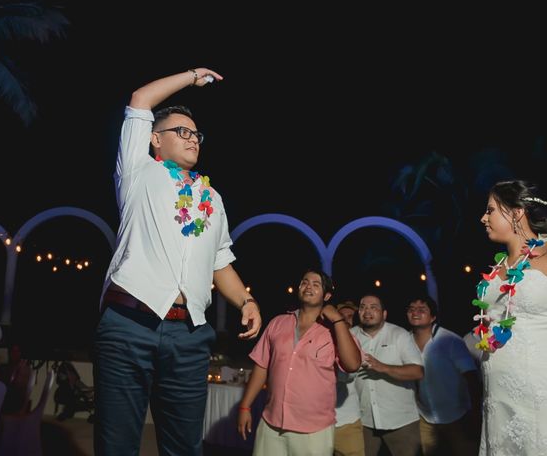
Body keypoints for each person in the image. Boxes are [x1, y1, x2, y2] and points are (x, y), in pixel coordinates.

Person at [94, 68, 262, 456]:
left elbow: (221, 263)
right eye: (181, 132)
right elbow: (139, 99)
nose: (193, 139)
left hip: (189, 335)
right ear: (155, 140)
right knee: (117, 445)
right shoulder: (138, 173)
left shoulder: (211, 198)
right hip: (129, 324)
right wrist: (191, 77)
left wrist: (247, 301)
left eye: (196, 134)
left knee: (185, 448)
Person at [477, 179, 547, 455]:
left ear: (516, 212)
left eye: (490, 211)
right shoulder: (495, 270)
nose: (483, 218)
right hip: (499, 400)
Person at [237, 269, 361, 456]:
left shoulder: (335, 330)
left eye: (316, 284)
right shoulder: (278, 322)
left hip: (313, 431)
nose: (308, 286)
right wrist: (245, 406)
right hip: (271, 424)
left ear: (327, 295)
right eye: (304, 282)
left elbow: (353, 364)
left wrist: (337, 319)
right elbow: (262, 366)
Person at [406, 295, 480, 456]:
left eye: (421, 310)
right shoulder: (404, 341)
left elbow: (471, 377)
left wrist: (475, 413)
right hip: (425, 417)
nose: (415, 313)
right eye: (411, 309)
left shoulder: (450, 340)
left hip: (457, 416)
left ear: (433, 317)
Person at [352, 294, 424, 456]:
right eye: (363, 307)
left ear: (384, 314)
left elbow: (417, 371)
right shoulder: (350, 336)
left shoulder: (399, 334)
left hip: (400, 420)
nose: (367, 311)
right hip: (364, 420)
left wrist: (382, 367)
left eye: (373, 307)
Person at [333, 299, 364, 456]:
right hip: (319, 422)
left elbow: (348, 374)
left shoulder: (356, 340)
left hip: (347, 421)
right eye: (341, 315)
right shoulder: (325, 336)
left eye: (350, 316)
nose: (344, 319)